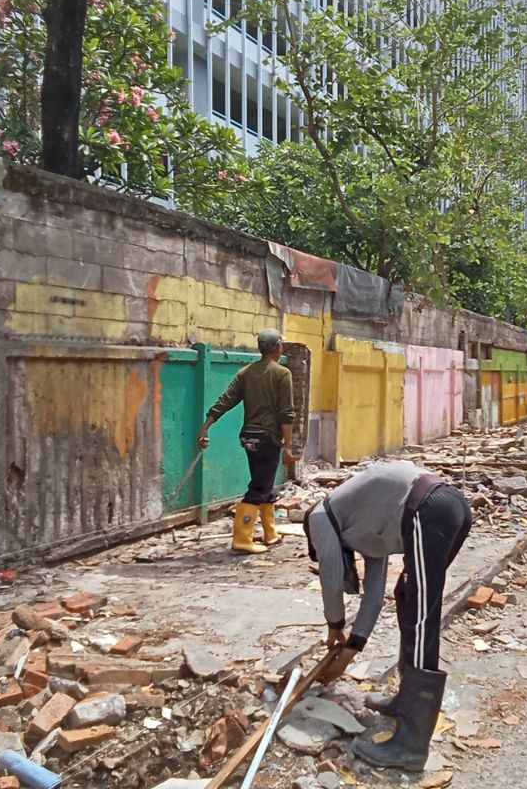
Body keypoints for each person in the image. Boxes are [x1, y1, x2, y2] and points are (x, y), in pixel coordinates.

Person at [304, 461, 472, 772]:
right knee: (408, 598)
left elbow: (330, 575)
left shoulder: (319, 516)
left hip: (428, 509)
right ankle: (408, 701)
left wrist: (334, 628)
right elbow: (374, 593)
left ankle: (411, 744)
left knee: (422, 615)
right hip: (444, 509)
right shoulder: (362, 523)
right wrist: (350, 650)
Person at [198, 328, 297, 554]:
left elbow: (226, 399)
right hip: (268, 437)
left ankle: (271, 534)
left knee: (264, 483)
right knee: (259, 487)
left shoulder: (246, 372)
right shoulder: (282, 374)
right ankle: (242, 540)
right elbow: (286, 413)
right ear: (277, 348)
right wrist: (288, 446)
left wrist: (205, 426)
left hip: (249, 437)